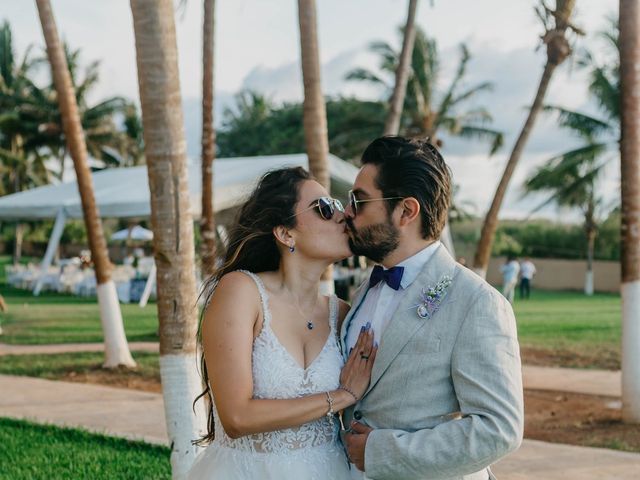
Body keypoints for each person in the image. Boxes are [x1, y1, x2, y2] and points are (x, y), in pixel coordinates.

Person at [341, 136, 523, 479]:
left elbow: (498, 429)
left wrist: (382, 451)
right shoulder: (366, 288)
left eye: (359, 201)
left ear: (407, 211)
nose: (347, 212)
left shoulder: (477, 302)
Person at [188, 167, 376, 480]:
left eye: (339, 206)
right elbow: (236, 417)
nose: (342, 215)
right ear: (286, 233)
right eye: (324, 208)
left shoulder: (343, 313)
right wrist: (341, 396)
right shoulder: (242, 292)